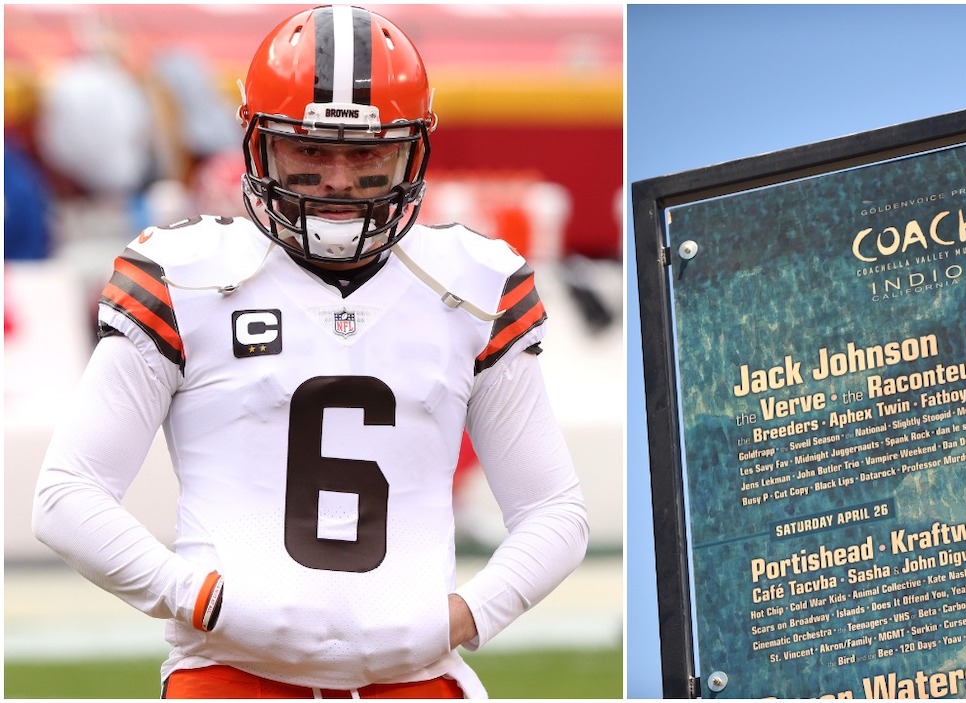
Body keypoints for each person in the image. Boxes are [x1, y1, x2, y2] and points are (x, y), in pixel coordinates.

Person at [31, 5, 589, 698]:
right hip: (233, 675)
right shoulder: (188, 274)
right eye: (310, 150)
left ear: (411, 151)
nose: (337, 179)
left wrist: (469, 614)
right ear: (258, 145)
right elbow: (66, 495)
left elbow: (556, 511)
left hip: (415, 678)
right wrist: (199, 599)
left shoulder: (472, 283)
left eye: (366, 153)